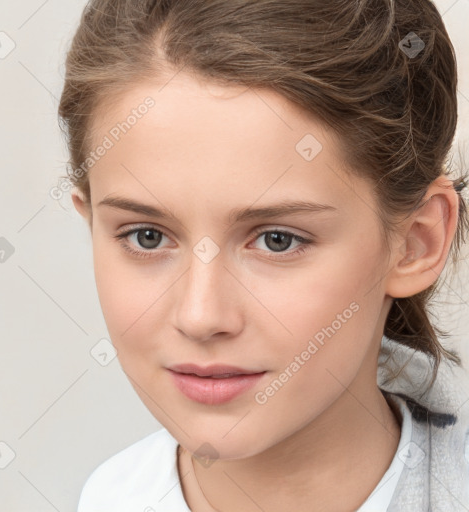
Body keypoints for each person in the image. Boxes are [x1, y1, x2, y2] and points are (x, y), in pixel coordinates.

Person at [57, 0, 469, 510]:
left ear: (415, 243)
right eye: (146, 236)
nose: (200, 316)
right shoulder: (108, 498)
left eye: (278, 239)